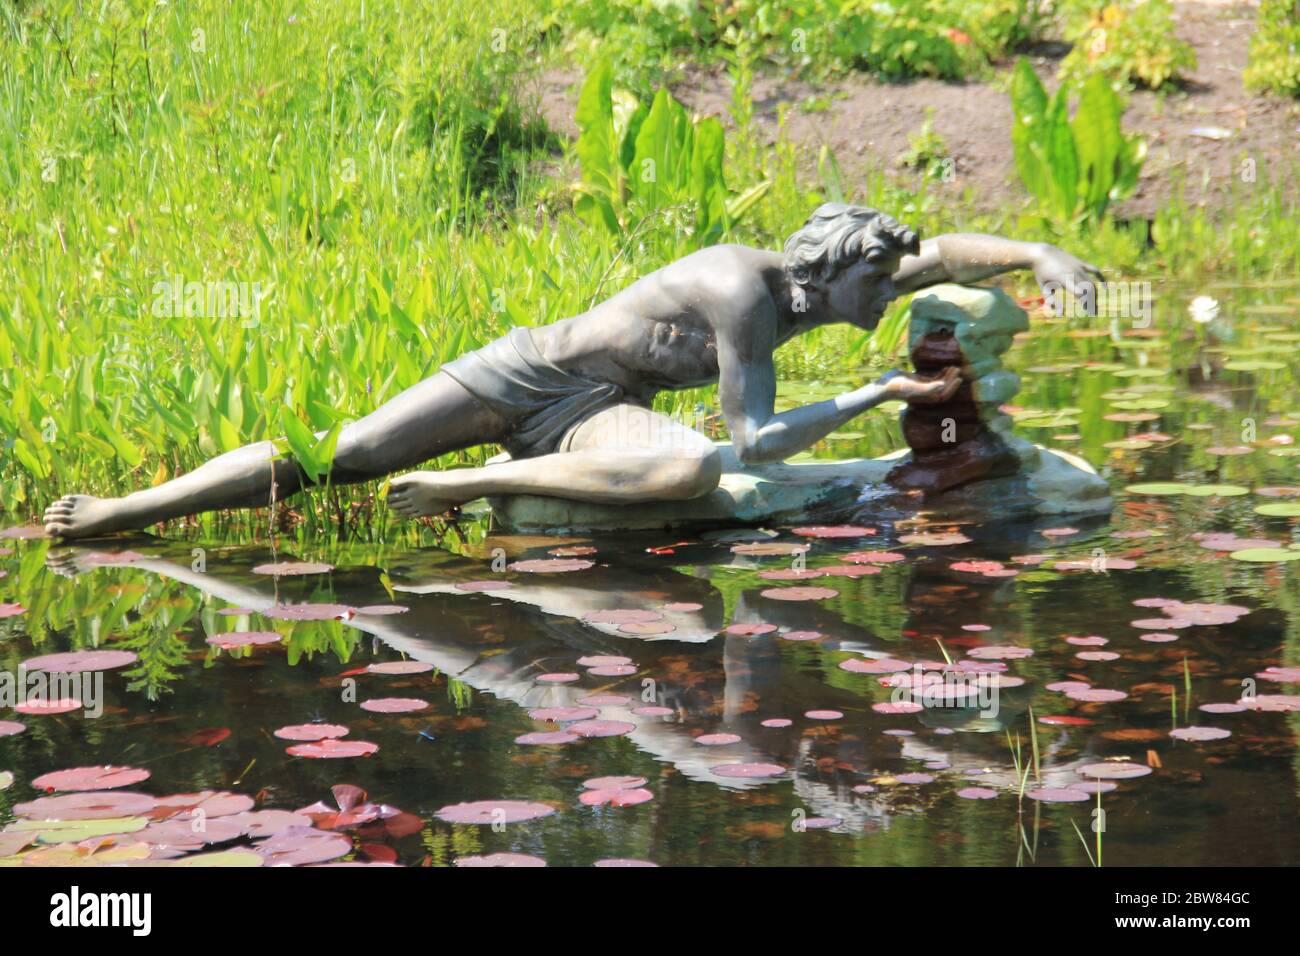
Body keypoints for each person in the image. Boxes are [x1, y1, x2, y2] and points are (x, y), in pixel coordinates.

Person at [43, 203, 1101, 538]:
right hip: (525, 377)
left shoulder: (829, 281)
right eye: (881, 287)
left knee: (681, 474)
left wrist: (1036, 254)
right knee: (349, 452)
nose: (893, 297)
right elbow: (756, 442)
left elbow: (939, 255)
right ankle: (120, 514)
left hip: (611, 410)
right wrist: (873, 399)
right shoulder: (742, 293)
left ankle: (477, 489)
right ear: (836, 273)